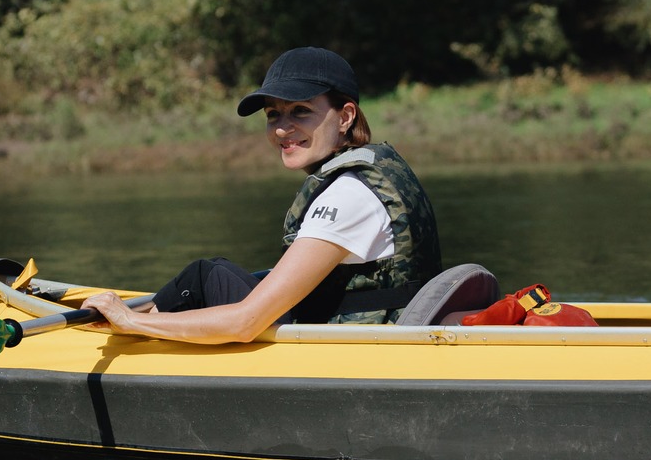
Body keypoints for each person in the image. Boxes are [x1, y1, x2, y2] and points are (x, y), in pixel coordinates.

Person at [79, 47, 442, 343]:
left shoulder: (348, 195)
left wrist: (130, 321)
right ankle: (145, 319)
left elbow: (245, 322)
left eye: (301, 111)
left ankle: (131, 333)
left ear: (345, 116)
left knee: (203, 277)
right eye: (273, 115)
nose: (283, 128)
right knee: (211, 275)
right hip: (372, 328)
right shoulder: (377, 167)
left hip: (355, 353)